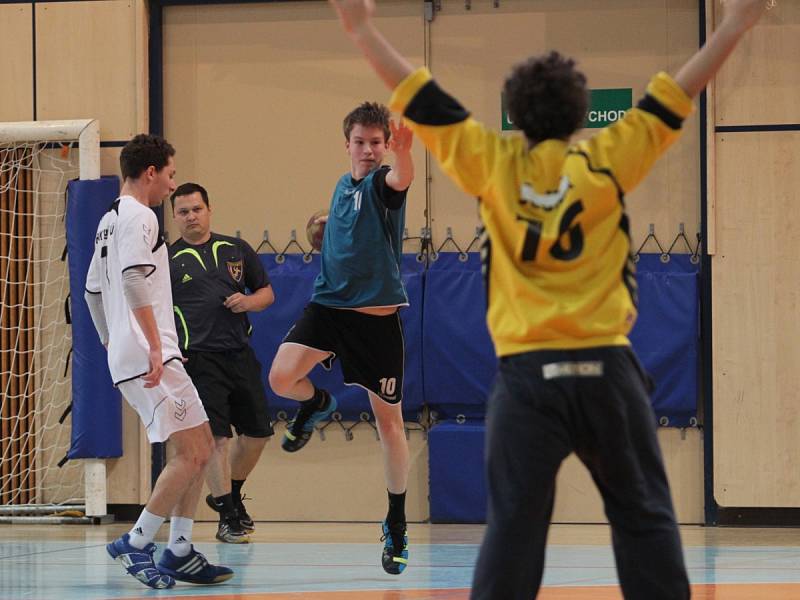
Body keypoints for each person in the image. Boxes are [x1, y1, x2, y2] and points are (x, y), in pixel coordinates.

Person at [328, 0, 767, 598]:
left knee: (513, 532)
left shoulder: (492, 160)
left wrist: (361, 27)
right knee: (645, 522)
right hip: (607, 371)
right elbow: (679, 89)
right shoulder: (607, 158)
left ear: (516, 113)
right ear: (580, 113)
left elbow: (414, 88)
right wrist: (735, 24)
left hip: (528, 379)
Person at [268, 102, 414, 575]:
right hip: (329, 308)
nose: (369, 150)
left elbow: (399, 182)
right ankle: (316, 403)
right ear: (347, 144)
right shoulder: (341, 186)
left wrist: (407, 154)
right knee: (281, 378)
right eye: (360, 142)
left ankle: (396, 521)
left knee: (389, 425)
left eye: (377, 141)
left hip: (375, 321)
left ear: (386, 144)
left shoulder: (382, 180)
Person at [84, 134, 233, 589]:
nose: (172, 185)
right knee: (192, 454)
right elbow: (131, 279)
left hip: (141, 350)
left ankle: (180, 549)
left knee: (202, 444)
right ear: (151, 172)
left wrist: (112, 340)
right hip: (153, 353)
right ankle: (136, 541)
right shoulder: (140, 215)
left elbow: (92, 290)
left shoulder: (108, 219)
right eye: (170, 175)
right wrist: (150, 345)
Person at [169, 182, 275, 544]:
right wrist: (169, 349)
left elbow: (266, 293)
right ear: (174, 217)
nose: (191, 216)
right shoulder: (167, 260)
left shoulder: (236, 249)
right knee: (217, 439)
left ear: (209, 210)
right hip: (198, 359)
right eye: (183, 211)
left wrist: (248, 303)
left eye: (196, 209)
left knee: (258, 434)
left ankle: (229, 492)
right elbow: (155, 313)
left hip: (239, 354)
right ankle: (229, 514)